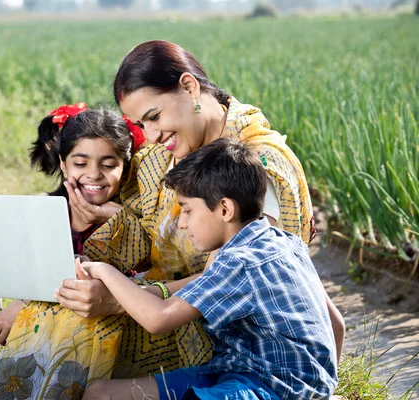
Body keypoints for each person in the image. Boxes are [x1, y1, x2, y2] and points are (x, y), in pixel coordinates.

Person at [58, 39, 344, 376]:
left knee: (74, 347)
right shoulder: (161, 158)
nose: (150, 136)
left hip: (229, 344)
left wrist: (123, 299)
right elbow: (140, 231)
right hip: (160, 305)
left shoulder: (255, 166)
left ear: (190, 87)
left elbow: (232, 277)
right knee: (56, 317)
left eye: (154, 117)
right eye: (141, 125)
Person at [82, 138, 338, 400]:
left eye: (187, 210)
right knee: (100, 394)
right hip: (234, 372)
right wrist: (326, 390)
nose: (181, 223)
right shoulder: (285, 242)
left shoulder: (241, 261)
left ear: (225, 209)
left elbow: (157, 319)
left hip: (273, 389)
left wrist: (104, 270)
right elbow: (336, 323)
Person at [0, 103, 141, 398]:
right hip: (47, 324)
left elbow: (140, 276)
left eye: (109, 164)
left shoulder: (129, 218)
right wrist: (19, 304)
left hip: (108, 331)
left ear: (124, 168)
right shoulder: (46, 210)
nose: (94, 175)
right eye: (81, 163)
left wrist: (117, 221)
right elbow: (27, 273)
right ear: (63, 164)